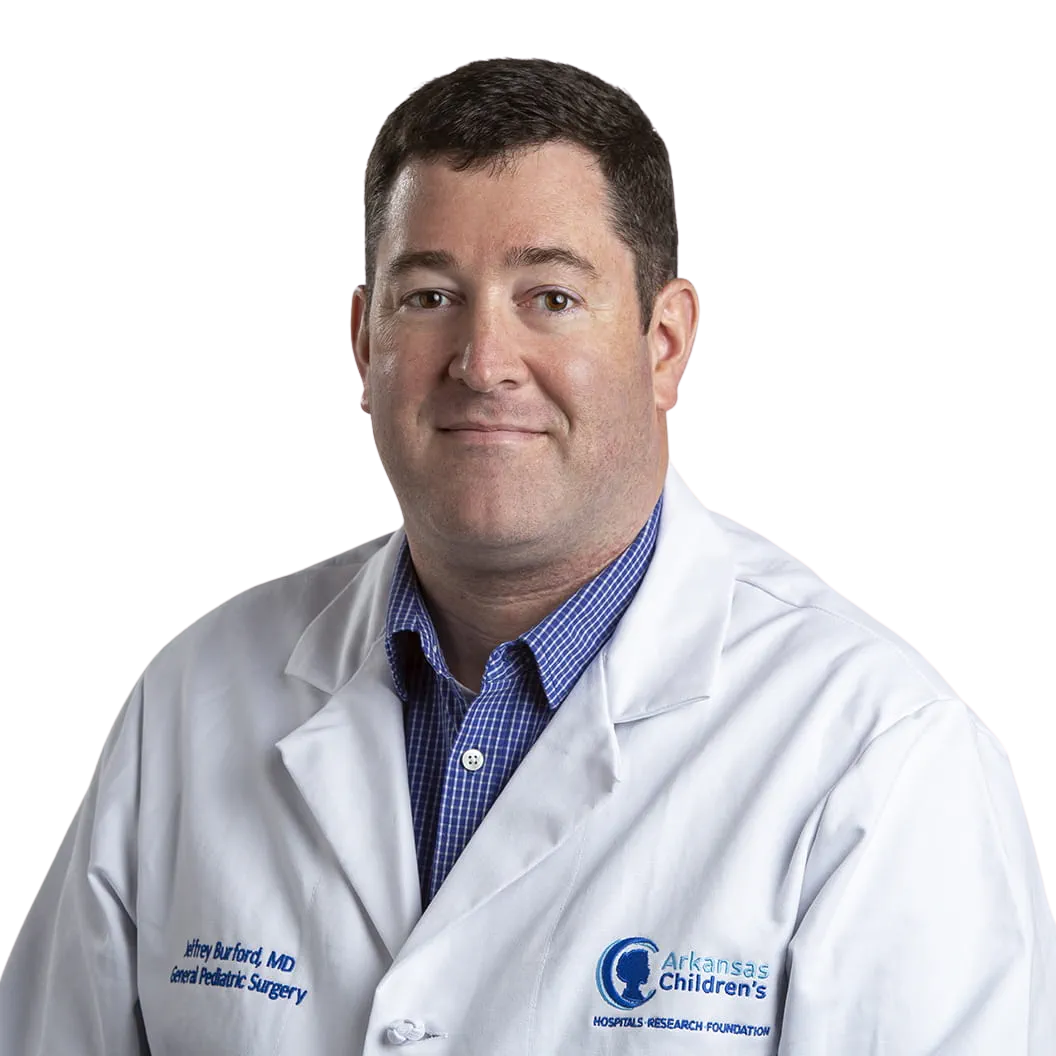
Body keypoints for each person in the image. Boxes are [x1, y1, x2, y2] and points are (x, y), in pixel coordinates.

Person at [2, 56, 1053, 1054]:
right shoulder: (192, 699)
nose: (482, 361)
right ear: (364, 345)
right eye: (430, 296)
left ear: (664, 343)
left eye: (549, 296)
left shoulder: (883, 758)